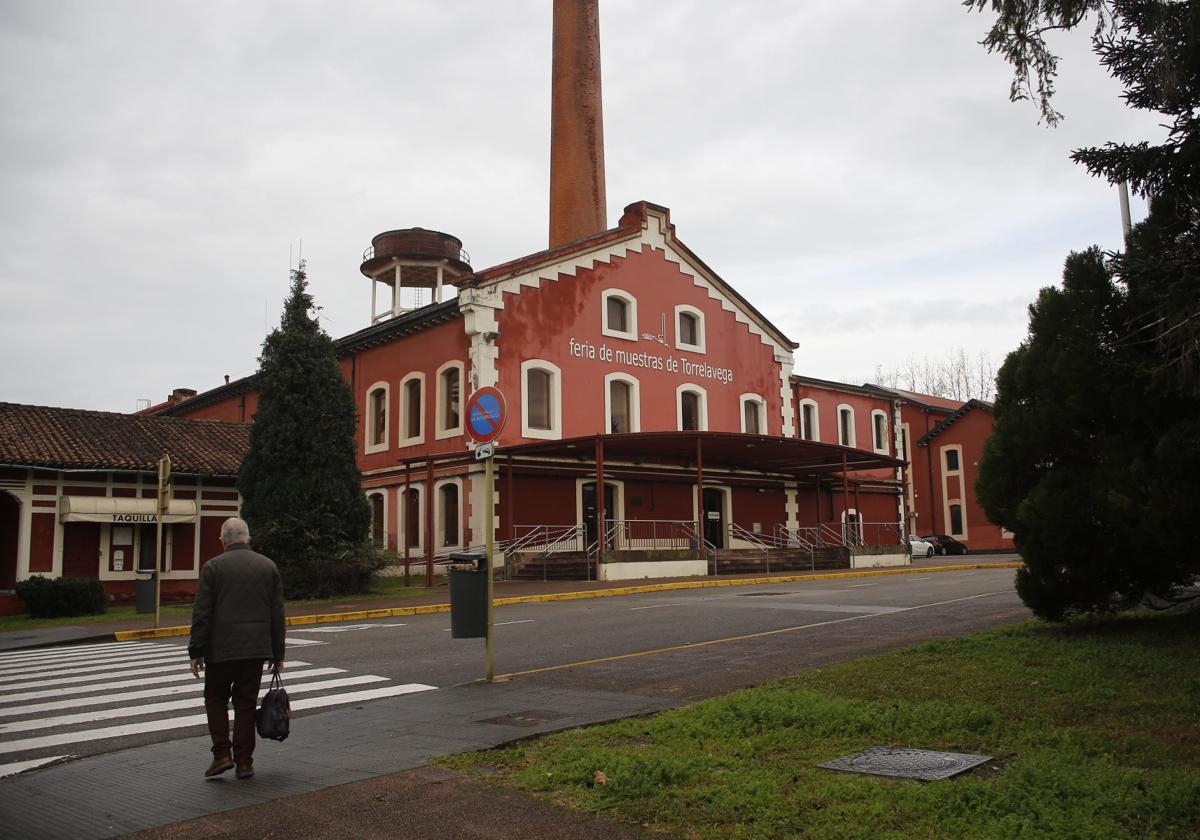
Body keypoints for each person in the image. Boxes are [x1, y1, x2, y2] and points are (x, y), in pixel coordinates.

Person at [188, 517, 285, 780]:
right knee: (245, 703)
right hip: (255, 650)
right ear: (248, 538)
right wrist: (278, 654)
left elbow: (202, 612)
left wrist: (196, 650)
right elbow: (277, 614)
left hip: (220, 650)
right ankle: (244, 763)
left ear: (223, 540)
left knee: (215, 699)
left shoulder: (213, 567)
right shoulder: (268, 567)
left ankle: (221, 755)